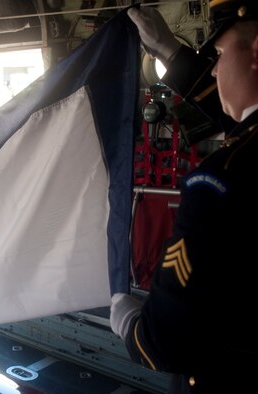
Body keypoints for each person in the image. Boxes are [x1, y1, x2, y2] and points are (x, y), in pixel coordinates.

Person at [110, 2, 258, 393]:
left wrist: (129, 323)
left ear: (257, 52)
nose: (213, 68)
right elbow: (238, 121)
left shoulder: (218, 183)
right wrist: (168, 52)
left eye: (221, 55)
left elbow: (165, 343)